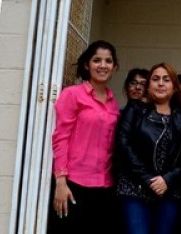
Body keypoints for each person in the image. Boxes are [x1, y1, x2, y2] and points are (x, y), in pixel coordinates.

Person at [115, 62, 181, 234]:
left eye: (166, 79)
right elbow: (123, 145)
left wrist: (167, 180)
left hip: (169, 190)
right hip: (135, 188)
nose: (161, 83)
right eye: (155, 79)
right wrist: (148, 179)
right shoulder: (135, 109)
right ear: (148, 86)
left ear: (174, 87)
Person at [49, 40, 121, 233]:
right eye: (97, 60)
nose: (103, 65)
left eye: (108, 61)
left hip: (104, 186)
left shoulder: (114, 104)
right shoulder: (72, 94)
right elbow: (60, 137)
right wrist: (60, 181)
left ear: (115, 67)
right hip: (73, 184)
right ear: (86, 65)